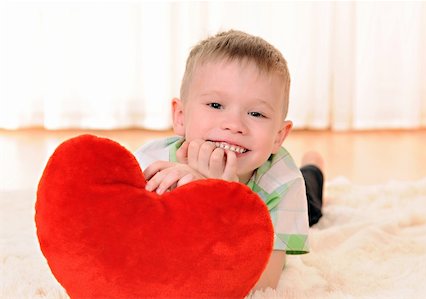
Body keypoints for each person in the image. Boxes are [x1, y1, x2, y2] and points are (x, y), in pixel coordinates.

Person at [134, 29, 324, 292]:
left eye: (256, 113)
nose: (234, 125)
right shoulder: (150, 164)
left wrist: (223, 197)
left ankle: (314, 166)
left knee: (311, 193)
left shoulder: (282, 183)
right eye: (215, 105)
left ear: (278, 137)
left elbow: (263, 284)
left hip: (278, 194)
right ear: (180, 116)